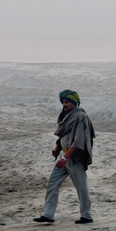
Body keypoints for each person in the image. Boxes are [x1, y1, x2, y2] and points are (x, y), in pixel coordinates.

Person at [33, 89, 95, 224]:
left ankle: (87, 215)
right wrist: (58, 147)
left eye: (67, 101)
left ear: (73, 102)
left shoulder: (80, 117)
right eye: (63, 102)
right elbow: (63, 135)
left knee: (81, 186)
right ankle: (48, 214)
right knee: (52, 183)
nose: (64, 104)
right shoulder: (65, 116)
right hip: (63, 154)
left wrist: (65, 158)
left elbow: (79, 141)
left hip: (74, 157)